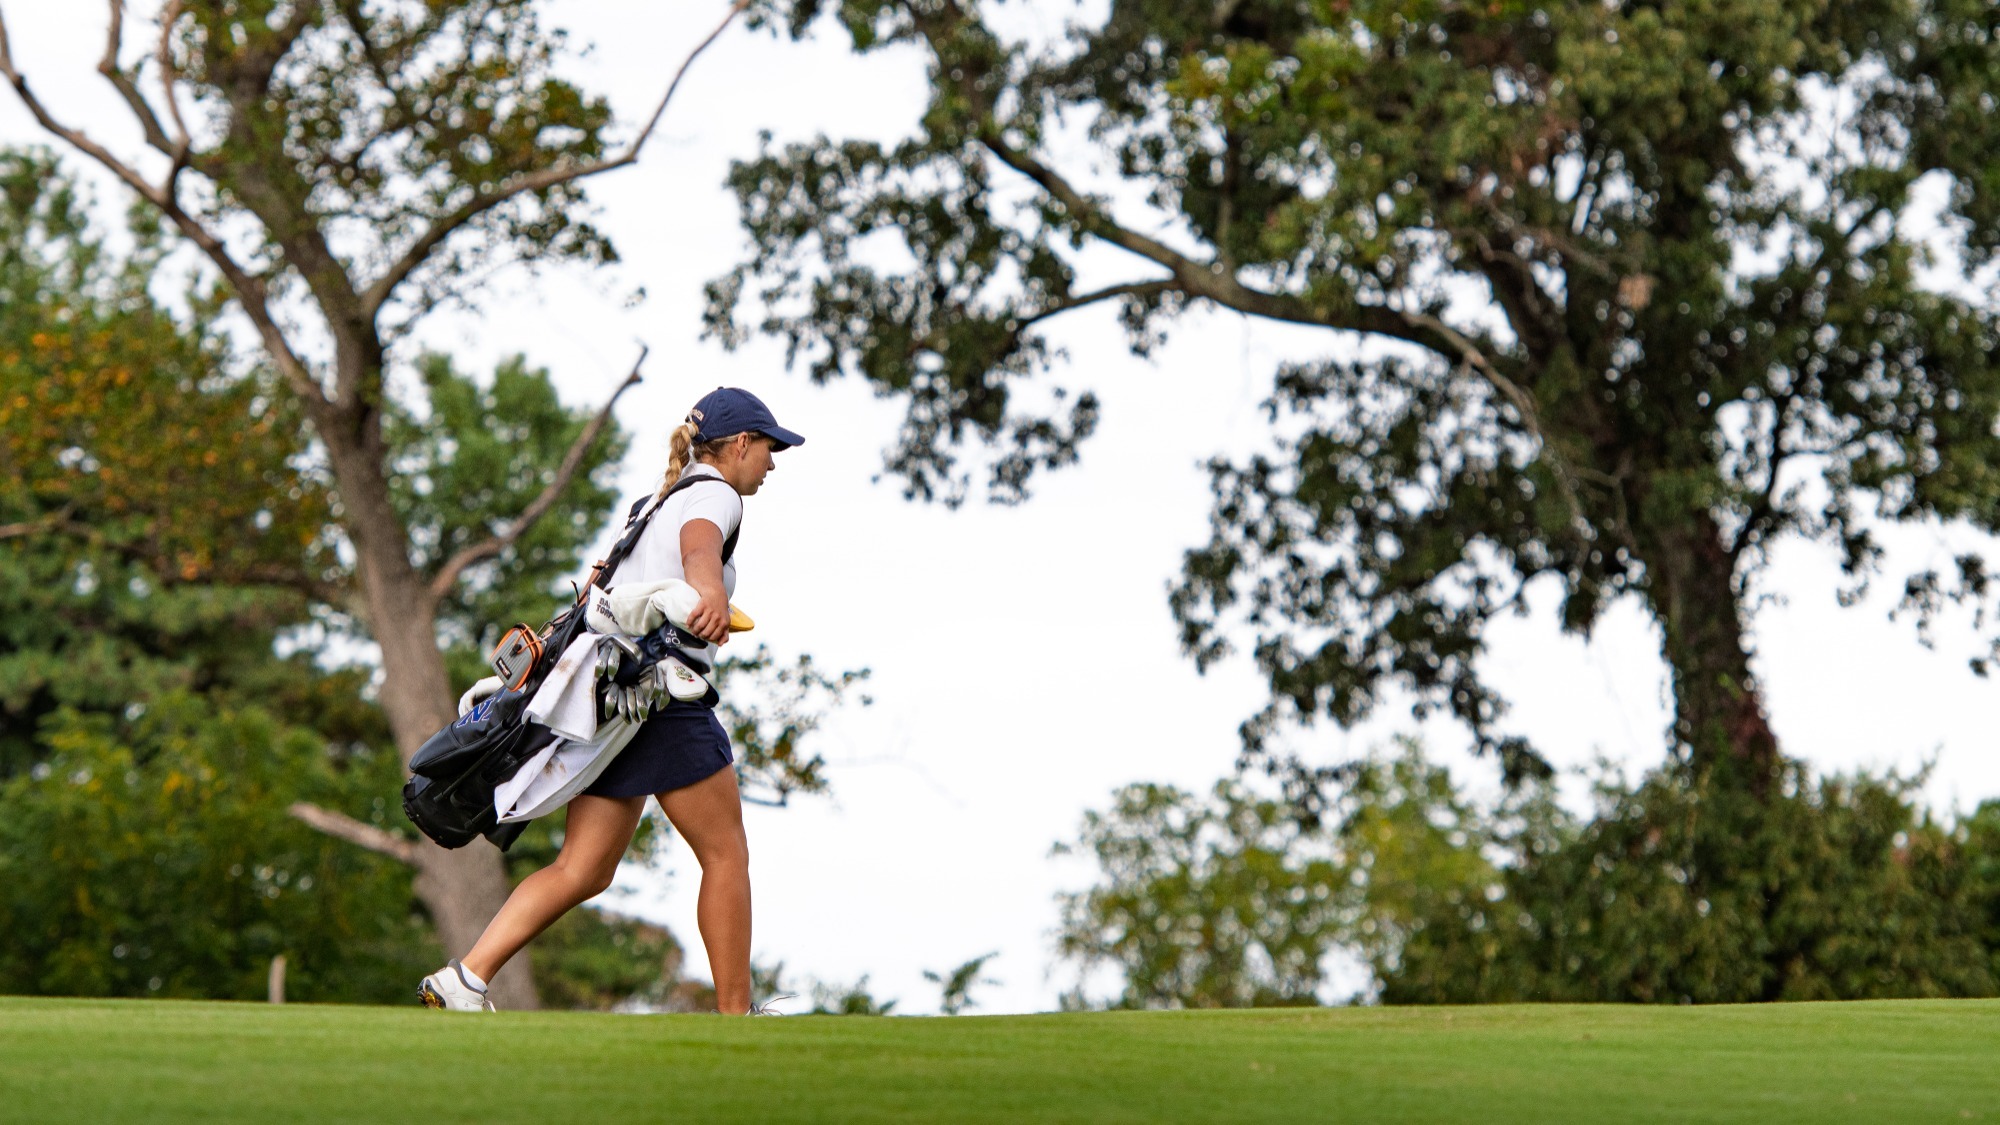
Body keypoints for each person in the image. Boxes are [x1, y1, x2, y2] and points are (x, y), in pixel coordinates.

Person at [418, 386, 803, 1015]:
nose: (772, 461)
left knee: (585, 869)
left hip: (606, 706)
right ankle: (739, 1018)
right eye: (768, 447)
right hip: (661, 700)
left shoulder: (652, 503)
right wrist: (708, 590)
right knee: (726, 853)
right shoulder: (716, 493)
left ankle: (466, 979)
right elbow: (700, 547)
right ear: (738, 445)